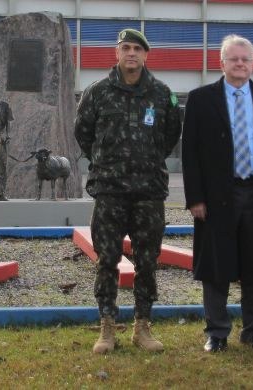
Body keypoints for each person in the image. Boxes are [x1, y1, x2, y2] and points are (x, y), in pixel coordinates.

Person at [182, 34, 253, 353]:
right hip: (218, 195)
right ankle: (216, 332)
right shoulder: (201, 99)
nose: (240, 64)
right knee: (216, 266)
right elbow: (190, 153)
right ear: (222, 63)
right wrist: (195, 198)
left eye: (246, 59)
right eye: (234, 58)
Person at [74, 28, 181, 354]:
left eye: (137, 48)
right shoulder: (97, 92)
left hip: (148, 191)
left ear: (146, 55)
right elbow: (83, 133)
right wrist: (107, 162)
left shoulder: (163, 94)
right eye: (126, 48)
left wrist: (144, 161)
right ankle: (107, 327)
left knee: (147, 262)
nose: (131, 53)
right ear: (117, 53)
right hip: (110, 191)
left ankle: (142, 326)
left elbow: (170, 135)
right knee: (107, 260)